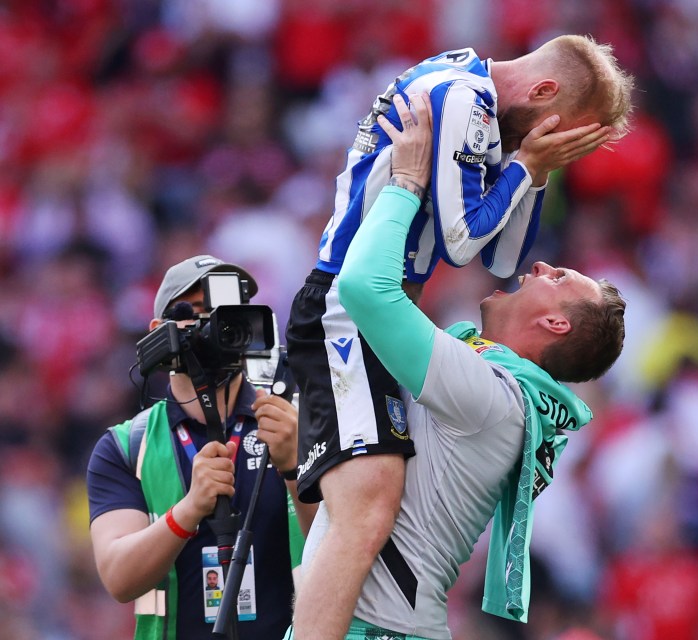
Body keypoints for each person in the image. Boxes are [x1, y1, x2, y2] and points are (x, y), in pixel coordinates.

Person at [287, 34, 633, 639]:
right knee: (361, 507)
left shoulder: (488, 390)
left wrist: (414, 182)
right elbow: (474, 248)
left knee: (364, 509)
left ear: (556, 325)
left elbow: (402, 275)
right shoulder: (465, 98)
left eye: (560, 279)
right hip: (379, 624)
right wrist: (530, 168)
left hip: (385, 630)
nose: (541, 267)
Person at [86, 255, 317, 640]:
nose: (211, 325)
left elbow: (343, 549)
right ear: (159, 331)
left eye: (225, 313)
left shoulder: (292, 422)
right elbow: (118, 578)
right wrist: (188, 510)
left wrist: (294, 469)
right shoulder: (126, 446)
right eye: (193, 313)